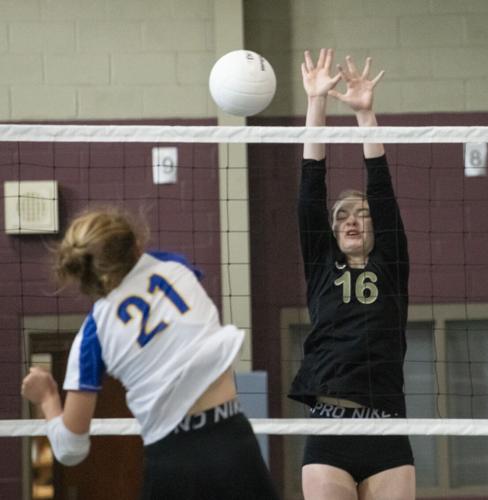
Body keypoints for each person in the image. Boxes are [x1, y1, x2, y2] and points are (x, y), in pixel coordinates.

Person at [20, 208, 279, 500]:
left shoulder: (92, 335)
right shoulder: (172, 265)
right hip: (232, 442)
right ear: (136, 246)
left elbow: (70, 450)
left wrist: (47, 397)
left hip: (172, 460)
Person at [288, 48, 415, 500]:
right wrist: (316, 103)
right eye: (341, 216)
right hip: (330, 429)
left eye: (360, 215)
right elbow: (309, 191)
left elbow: (381, 189)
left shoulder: (391, 265)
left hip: (387, 427)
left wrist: (365, 115)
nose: (351, 221)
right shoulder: (322, 265)